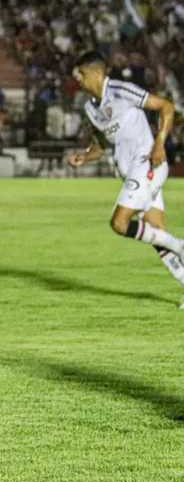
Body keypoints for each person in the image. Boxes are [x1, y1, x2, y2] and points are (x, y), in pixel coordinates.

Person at [67, 51, 184, 306]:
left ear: (97, 74)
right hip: (131, 172)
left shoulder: (121, 91)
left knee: (120, 223)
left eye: (82, 74)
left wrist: (160, 144)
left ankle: (180, 245)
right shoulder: (90, 108)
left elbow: (166, 106)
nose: (78, 79)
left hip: (147, 163)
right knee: (156, 232)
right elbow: (99, 146)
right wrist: (84, 157)